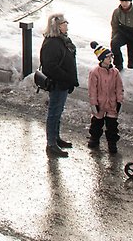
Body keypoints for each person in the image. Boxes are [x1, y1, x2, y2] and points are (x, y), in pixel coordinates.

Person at [40, 13, 78, 158]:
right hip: (57, 84)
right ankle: (51, 144)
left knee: (58, 111)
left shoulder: (62, 40)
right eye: (63, 23)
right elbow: (50, 67)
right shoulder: (52, 43)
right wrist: (67, 78)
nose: (66, 25)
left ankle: (56, 138)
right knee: (54, 113)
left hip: (63, 83)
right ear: (57, 26)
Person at [87, 41, 123, 153]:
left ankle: (112, 143)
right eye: (107, 57)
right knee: (97, 123)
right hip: (99, 103)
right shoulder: (95, 72)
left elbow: (119, 88)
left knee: (112, 126)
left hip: (112, 103)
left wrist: (119, 101)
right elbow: (92, 90)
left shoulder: (115, 72)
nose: (110, 59)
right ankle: (94, 138)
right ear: (101, 59)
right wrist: (94, 103)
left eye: (110, 57)